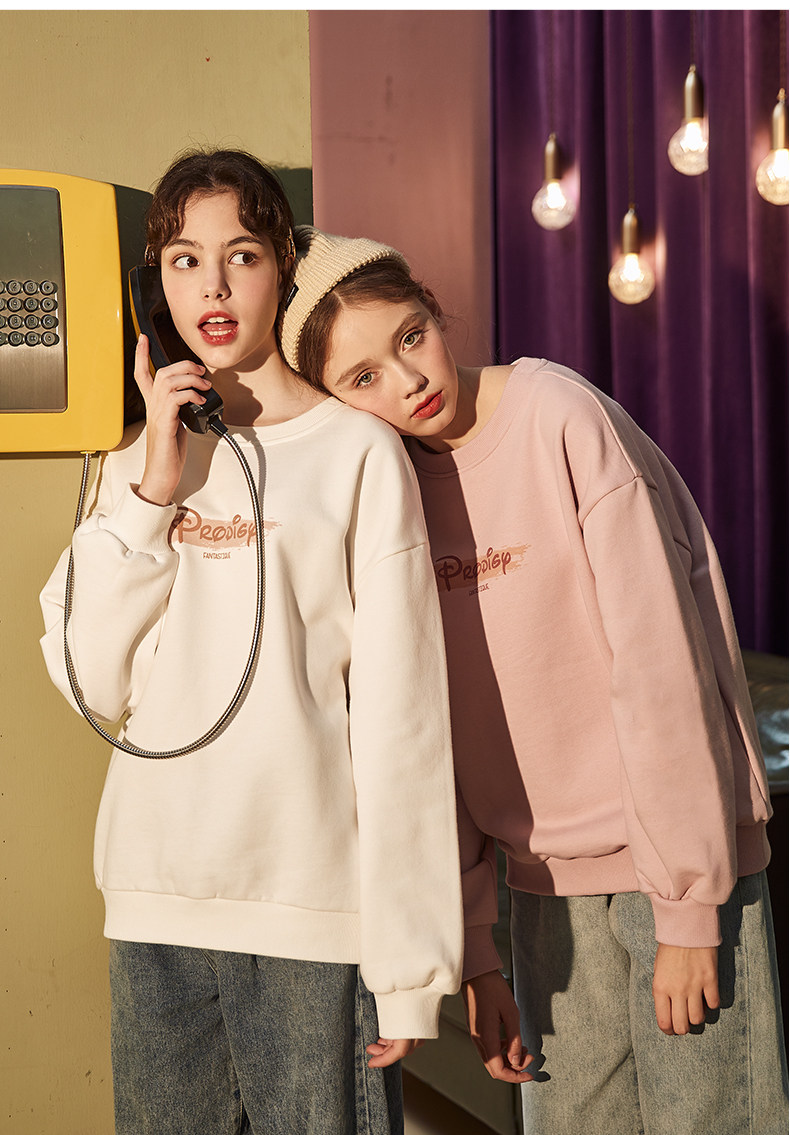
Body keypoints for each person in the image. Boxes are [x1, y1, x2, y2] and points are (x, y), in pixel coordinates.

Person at [279, 225, 788, 1135]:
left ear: (432, 308)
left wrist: (687, 910)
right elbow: (427, 728)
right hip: (541, 890)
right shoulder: (390, 489)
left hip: (675, 867)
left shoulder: (558, 414)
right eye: (363, 378)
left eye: (409, 336)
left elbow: (660, 664)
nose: (408, 380)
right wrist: (477, 949)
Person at [39, 154, 463, 1135]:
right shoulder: (135, 463)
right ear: (155, 287)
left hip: (310, 913)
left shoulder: (357, 451)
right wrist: (153, 485)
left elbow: (403, 714)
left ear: (282, 266)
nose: (214, 289)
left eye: (240, 255)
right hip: (153, 908)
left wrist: (410, 966)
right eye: (185, 261)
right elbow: (90, 681)